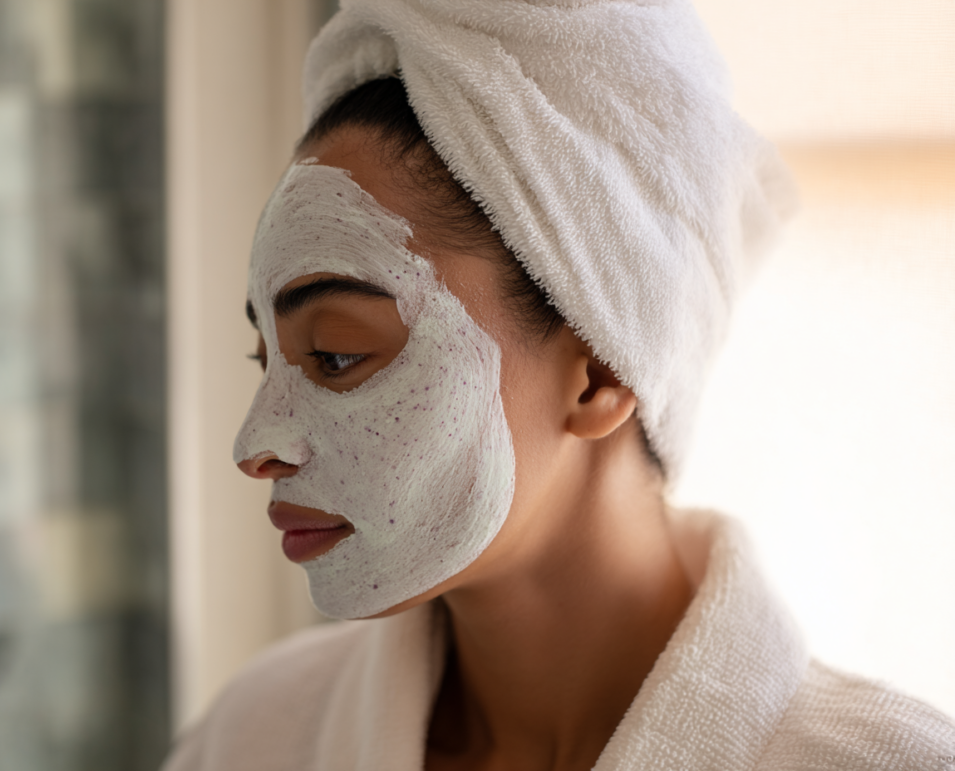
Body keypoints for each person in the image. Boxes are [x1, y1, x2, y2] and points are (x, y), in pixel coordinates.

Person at [163, 2, 955, 769]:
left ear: (602, 373)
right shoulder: (256, 733)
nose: (253, 446)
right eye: (265, 359)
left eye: (336, 354)